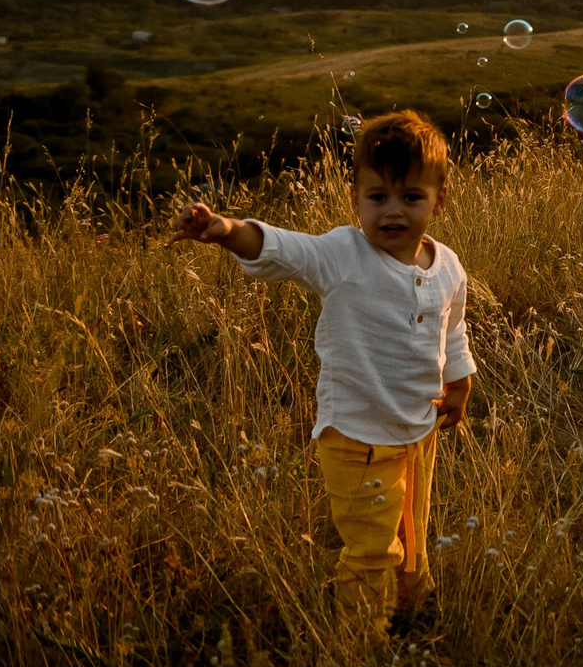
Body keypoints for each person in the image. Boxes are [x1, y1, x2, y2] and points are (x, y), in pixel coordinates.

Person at [173, 110, 477, 631]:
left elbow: (452, 328)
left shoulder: (446, 263)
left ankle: (412, 609)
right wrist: (225, 231)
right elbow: (283, 250)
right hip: (356, 438)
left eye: (411, 197)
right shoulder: (344, 254)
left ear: (440, 198)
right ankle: (359, 651)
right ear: (355, 195)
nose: (393, 212)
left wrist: (459, 381)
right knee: (369, 548)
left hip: (418, 431)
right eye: (377, 197)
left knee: (414, 529)